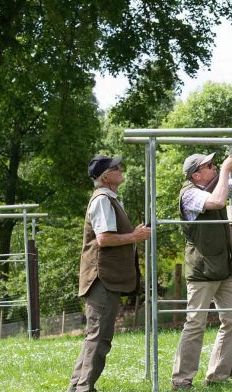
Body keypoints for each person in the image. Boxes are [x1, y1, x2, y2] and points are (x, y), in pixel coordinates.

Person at [172, 136, 232, 390]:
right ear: (196, 175)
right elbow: (218, 202)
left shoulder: (217, 184)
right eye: (208, 166)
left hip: (224, 268)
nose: (214, 167)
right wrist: (226, 171)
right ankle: (181, 379)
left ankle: (217, 376)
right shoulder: (189, 195)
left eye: (213, 165)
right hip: (201, 271)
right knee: (195, 324)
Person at [68, 154, 151, 392]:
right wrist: (134, 236)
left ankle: (76, 388)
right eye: (117, 167)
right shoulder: (103, 199)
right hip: (101, 279)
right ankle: (85, 389)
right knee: (100, 338)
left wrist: (132, 234)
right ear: (106, 176)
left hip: (104, 278)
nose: (122, 168)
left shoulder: (109, 198)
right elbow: (104, 239)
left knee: (94, 337)